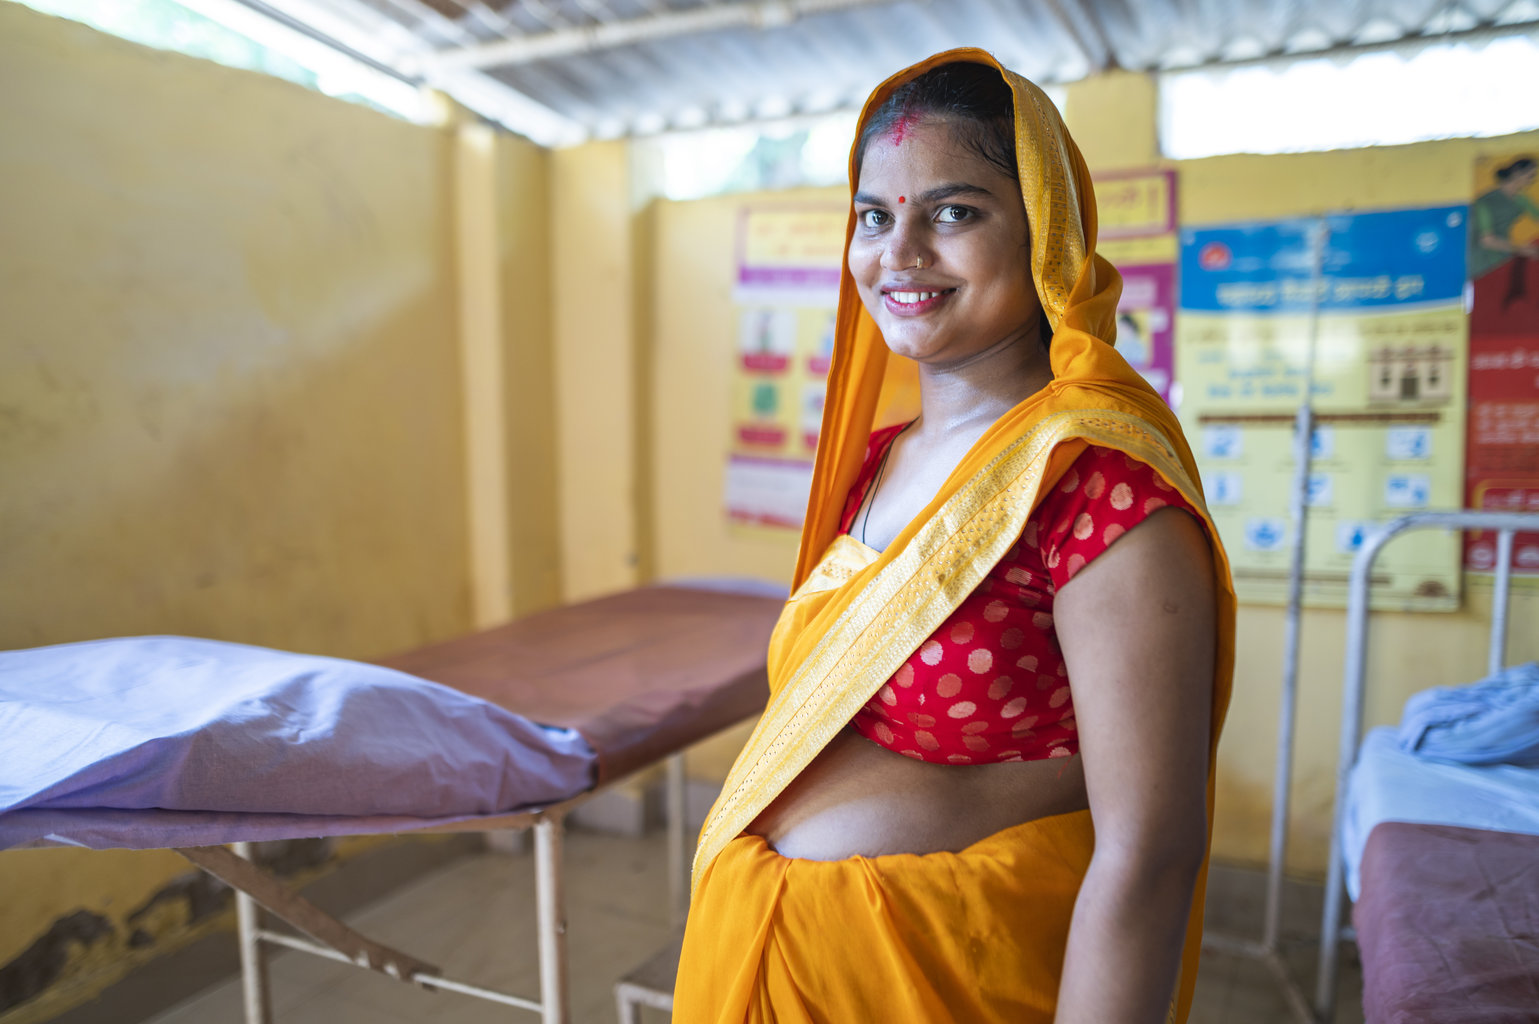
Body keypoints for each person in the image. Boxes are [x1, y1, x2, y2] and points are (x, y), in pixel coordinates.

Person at [675, 49, 1235, 1024]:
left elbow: (1150, 852)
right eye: (875, 216)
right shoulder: (875, 460)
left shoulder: (1096, 488)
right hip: (793, 968)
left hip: (961, 981)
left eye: (954, 211)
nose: (900, 253)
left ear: (1045, 233)